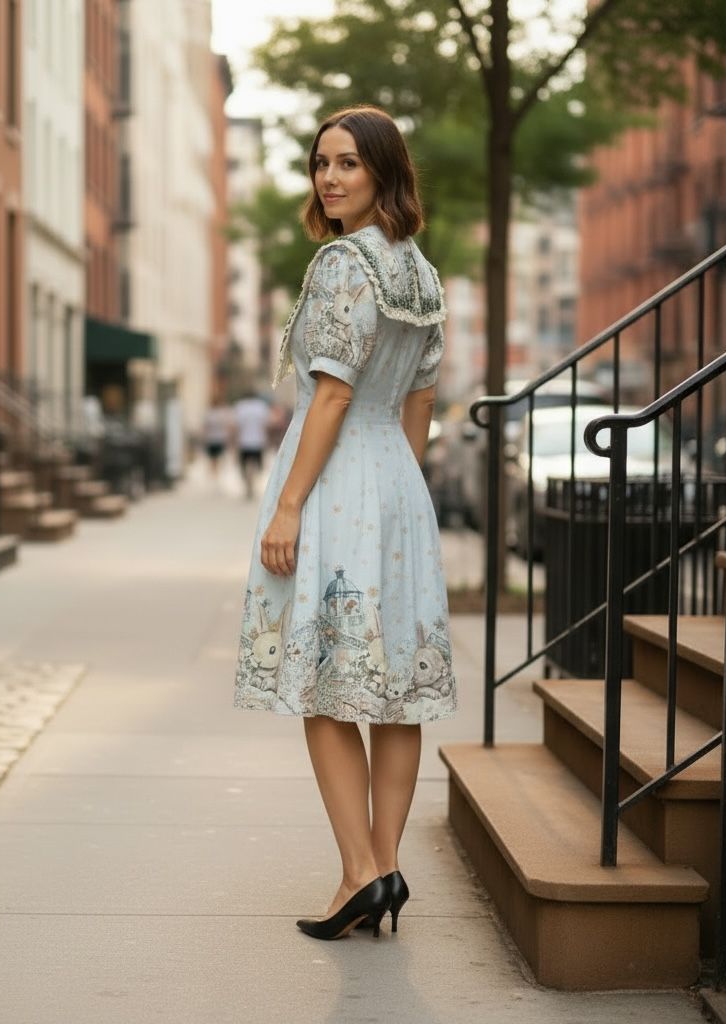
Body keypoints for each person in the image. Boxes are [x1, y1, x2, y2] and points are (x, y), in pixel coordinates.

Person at [233, 105, 457, 942]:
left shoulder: (342, 263)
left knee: (326, 686)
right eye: (321, 162)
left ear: (384, 174)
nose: (330, 178)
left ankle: (360, 873)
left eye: (349, 164)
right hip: (395, 480)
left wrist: (290, 503)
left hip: (331, 480)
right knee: (395, 691)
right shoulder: (424, 273)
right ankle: (381, 869)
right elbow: (423, 399)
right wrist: (396, 493)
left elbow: (329, 393)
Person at [233, 390, 271, 498]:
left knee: (244, 466)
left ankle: (248, 485)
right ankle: (252, 483)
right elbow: (266, 425)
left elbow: (235, 426)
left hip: (243, 441)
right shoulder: (261, 407)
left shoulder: (240, 406)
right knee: (257, 465)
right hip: (258, 441)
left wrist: (234, 442)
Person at [201, 399, 233, 481]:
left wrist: (204, 438)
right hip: (219, 438)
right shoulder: (221, 414)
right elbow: (227, 427)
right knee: (217, 457)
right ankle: (216, 473)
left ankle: (214, 473)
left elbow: (205, 427)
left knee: (213, 458)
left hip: (213, 438)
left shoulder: (209, 414)